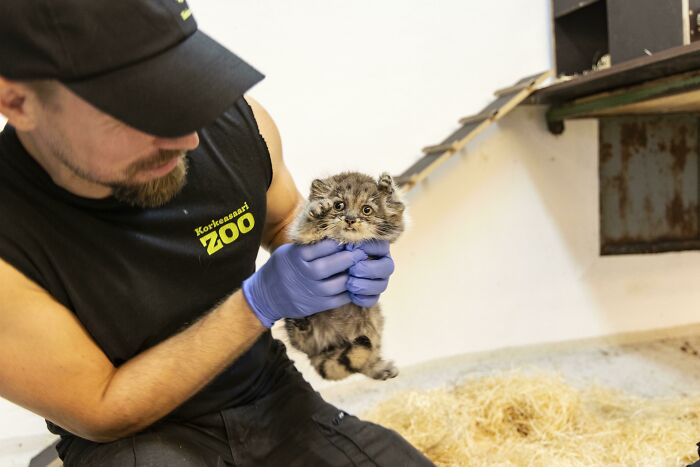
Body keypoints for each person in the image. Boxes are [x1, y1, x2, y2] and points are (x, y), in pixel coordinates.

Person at [0, 1, 434, 466]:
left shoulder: (239, 125)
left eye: (184, 91)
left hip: (271, 397)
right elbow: (103, 411)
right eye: (136, 112)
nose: (187, 139)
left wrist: (337, 264)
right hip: (134, 441)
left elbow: (282, 220)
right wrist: (258, 302)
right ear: (18, 101)